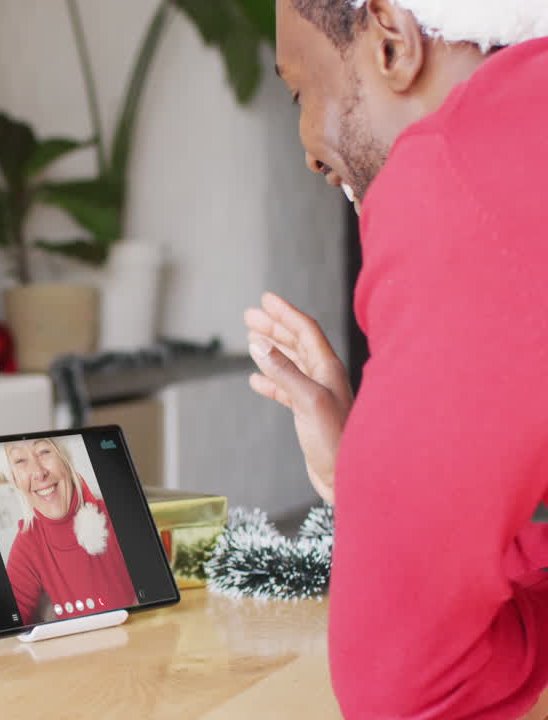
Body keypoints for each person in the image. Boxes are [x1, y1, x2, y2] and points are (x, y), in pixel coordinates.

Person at [246, 1, 548, 717]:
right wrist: (360, 479)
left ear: (391, 42)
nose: (309, 151)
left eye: (301, 90)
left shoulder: (461, 170)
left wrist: (367, 490)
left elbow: (406, 687)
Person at [1, 438, 137, 624]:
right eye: (20, 460)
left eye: (44, 452)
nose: (39, 473)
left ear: (65, 461)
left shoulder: (120, 517)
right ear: (15, 480)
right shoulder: (28, 542)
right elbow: (7, 622)